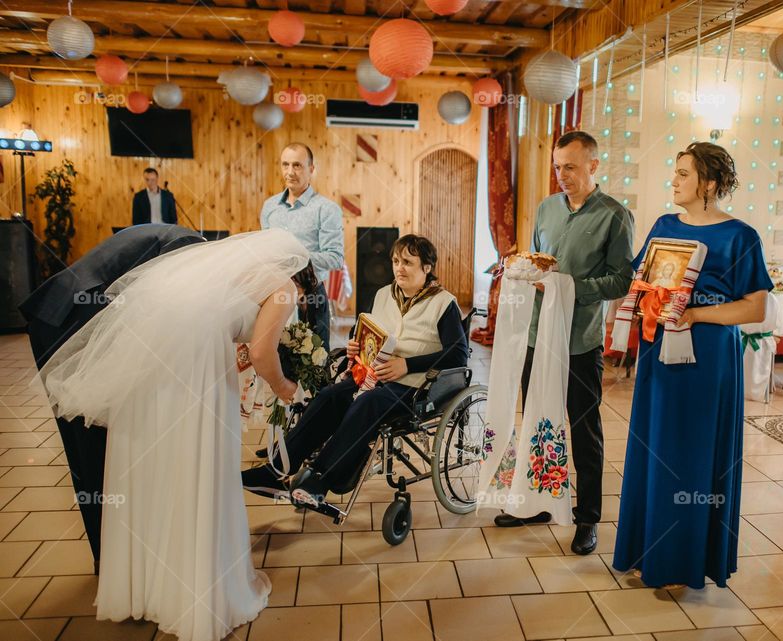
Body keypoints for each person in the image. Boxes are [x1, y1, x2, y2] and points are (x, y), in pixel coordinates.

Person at [38, 229, 310, 641]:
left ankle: (145, 589)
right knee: (195, 472)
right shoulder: (285, 288)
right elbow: (260, 353)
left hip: (153, 362)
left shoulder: (226, 267)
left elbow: (216, 321)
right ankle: (197, 598)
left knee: (157, 470)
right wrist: (284, 387)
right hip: (193, 372)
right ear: (302, 279)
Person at [612, 142, 773, 588]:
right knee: (656, 447)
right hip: (658, 351)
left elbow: (755, 308)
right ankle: (648, 551)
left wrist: (697, 313)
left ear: (711, 184)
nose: (675, 180)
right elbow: (642, 277)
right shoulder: (664, 225)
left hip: (708, 358)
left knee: (695, 452)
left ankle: (686, 561)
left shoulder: (741, 236)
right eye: (676, 172)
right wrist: (645, 297)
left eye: (684, 173)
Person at [18, 223, 203, 571]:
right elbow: (162, 312)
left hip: (56, 311)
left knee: (84, 439)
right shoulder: (189, 247)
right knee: (92, 436)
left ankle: (109, 551)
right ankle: (114, 555)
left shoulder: (178, 236)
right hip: (75, 318)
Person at [241, 234, 468, 503]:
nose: (399, 268)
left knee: (367, 404)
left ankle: (319, 479)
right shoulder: (383, 294)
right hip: (372, 375)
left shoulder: (444, 303)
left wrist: (406, 364)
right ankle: (276, 468)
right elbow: (363, 330)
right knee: (330, 396)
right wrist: (354, 346)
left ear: (427, 268)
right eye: (396, 261)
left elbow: (458, 354)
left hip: (417, 386)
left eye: (407, 262)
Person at [493, 130, 634, 556]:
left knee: (584, 431)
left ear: (593, 165)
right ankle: (538, 501)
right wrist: (522, 269)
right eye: (557, 166)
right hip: (538, 334)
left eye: (569, 167)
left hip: (578, 342)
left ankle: (587, 516)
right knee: (537, 419)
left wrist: (567, 287)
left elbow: (621, 280)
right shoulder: (546, 208)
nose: (561, 175)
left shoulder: (615, 216)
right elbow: (540, 261)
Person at [261, 142, 344, 349]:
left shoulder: (326, 209)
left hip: (311, 297)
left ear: (311, 169)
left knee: (315, 370)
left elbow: (335, 258)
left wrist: (295, 258)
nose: (290, 172)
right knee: (277, 364)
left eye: (297, 165)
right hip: (274, 295)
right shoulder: (269, 207)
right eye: (285, 165)